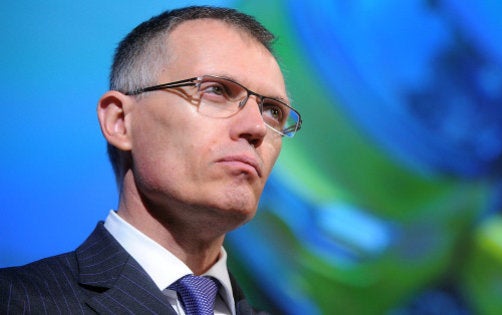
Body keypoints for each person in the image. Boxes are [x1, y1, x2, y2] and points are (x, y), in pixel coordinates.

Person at [0, 5, 301, 315]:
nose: (255, 128)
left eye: (273, 112)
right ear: (120, 121)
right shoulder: (17, 302)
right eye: (216, 90)